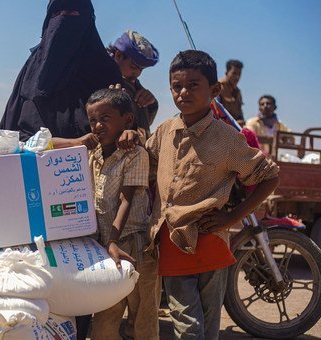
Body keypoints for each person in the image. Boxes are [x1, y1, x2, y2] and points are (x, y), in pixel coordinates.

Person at [146, 50, 279, 339]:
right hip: (173, 242)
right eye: (176, 86)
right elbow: (146, 162)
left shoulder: (229, 139)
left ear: (214, 90)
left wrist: (232, 216)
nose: (183, 92)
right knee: (189, 328)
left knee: (208, 326)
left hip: (212, 243)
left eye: (193, 85)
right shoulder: (164, 132)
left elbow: (269, 175)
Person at [61, 88, 155, 340]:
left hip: (134, 244)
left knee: (143, 319)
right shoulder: (92, 153)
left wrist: (113, 240)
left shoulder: (135, 154)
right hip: (104, 245)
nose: (98, 125)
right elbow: (43, 146)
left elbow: (127, 199)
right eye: (93, 120)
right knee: (104, 322)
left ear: (127, 120)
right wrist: (76, 141)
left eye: (105, 118)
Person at [0, 0, 123, 143]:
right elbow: (14, 135)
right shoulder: (33, 69)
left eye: (72, 13)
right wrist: (69, 144)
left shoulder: (105, 70)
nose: (63, 19)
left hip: (96, 162)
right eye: (57, 14)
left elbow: (121, 124)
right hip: (36, 162)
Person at [108, 30, 159, 141]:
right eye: (134, 67)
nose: (138, 73)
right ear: (119, 55)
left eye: (141, 69)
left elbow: (143, 124)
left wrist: (151, 103)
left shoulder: (134, 86)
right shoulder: (101, 81)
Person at [218, 59, 244, 125]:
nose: (237, 77)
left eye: (239, 74)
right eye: (234, 73)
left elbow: (240, 114)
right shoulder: (218, 88)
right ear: (226, 73)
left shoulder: (238, 92)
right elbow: (214, 113)